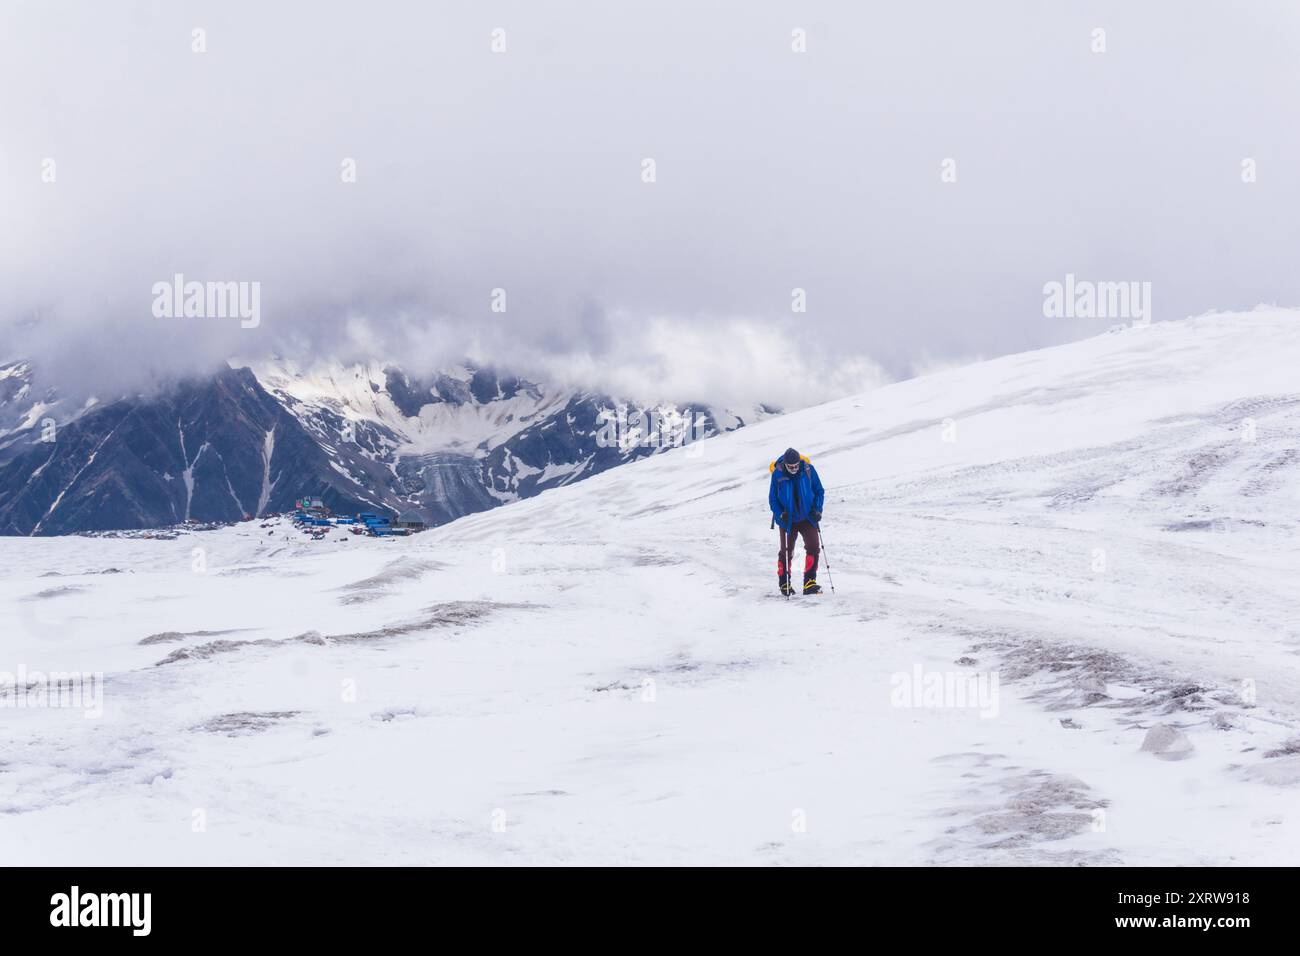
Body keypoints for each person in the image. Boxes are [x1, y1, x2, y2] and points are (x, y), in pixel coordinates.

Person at [768, 447, 825, 595]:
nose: (793, 469)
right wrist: (780, 515)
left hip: (807, 517)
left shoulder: (808, 470)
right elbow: (773, 499)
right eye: (790, 466)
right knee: (787, 552)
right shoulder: (777, 474)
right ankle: (784, 583)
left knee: (813, 547)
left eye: (795, 466)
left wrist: (817, 510)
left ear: (799, 462)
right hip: (788, 520)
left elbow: (819, 491)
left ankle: (809, 582)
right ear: (785, 464)